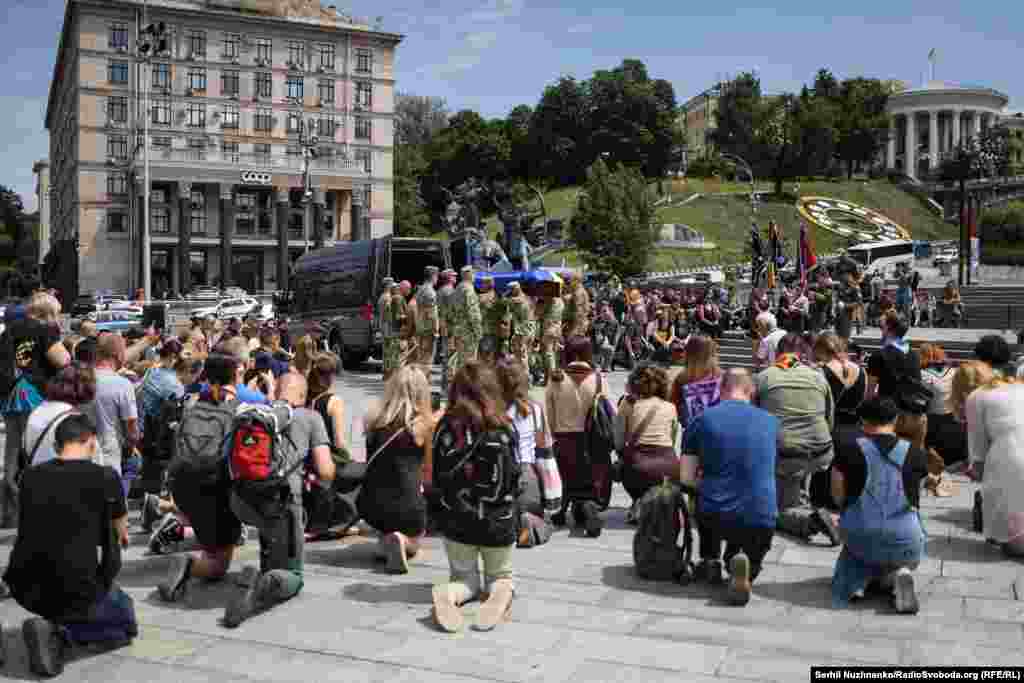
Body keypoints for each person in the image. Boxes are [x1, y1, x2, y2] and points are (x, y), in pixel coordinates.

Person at [4, 414, 136, 677]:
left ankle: (54, 622)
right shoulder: (106, 477)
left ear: (56, 446)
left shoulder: (29, 477)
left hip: (25, 585)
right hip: (80, 587)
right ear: (91, 442)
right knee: (126, 626)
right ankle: (59, 631)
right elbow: (123, 534)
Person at [222, 372, 336, 627]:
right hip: (282, 501)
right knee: (294, 576)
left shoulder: (256, 416)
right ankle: (264, 584)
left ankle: (266, 568)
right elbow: (326, 470)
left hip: (242, 499)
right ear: (303, 396)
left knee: (270, 522)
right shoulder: (310, 417)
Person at [431, 361, 519, 633]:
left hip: (457, 520)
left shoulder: (445, 427)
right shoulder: (504, 426)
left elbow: (437, 477)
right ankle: (500, 590)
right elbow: (515, 478)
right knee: (499, 575)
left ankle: (450, 594)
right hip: (498, 520)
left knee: (464, 580)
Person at [156, 354, 246, 604]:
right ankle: (189, 565)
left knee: (211, 540)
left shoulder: (192, 402)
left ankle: (196, 556)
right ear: (236, 375)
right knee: (219, 566)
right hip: (214, 484)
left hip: (183, 481)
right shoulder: (241, 404)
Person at [684, 369, 778, 605]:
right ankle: (747, 565)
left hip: (716, 513)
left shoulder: (702, 419)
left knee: (705, 495)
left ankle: (711, 559)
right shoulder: (771, 422)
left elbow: (686, 477)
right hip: (761, 517)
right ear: (752, 391)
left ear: (720, 389)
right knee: (750, 509)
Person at [830, 397, 928, 613]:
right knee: (907, 532)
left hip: (861, 537)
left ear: (862, 420)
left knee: (854, 552)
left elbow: (837, 497)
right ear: (896, 420)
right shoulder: (917, 453)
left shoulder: (847, 449)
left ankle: (856, 584)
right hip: (907, 541)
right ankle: (896, 578)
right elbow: (915, 500)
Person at [755, 333, 838, 545]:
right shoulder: (818, 377)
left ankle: (809, 521)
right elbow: (829, 419)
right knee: (799, 463)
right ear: (803, 354)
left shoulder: (763, 377)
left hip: (786, 455)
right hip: (821, 451)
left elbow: (752, 423)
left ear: (778, 353)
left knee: (772, 513)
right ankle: (802, 500)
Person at [0, 291, 72, 526]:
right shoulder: (45, 329)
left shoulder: (10, 329)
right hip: (34, 394)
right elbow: (62, 361)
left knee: (12, 453)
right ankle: (40, 511)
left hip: (11, 395)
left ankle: (10, 513)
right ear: (49, 313)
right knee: (37, 451)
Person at [358, 365, 435, 571]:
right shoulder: (423, 424)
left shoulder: (373, 419)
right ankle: (404, 542)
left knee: (386, 527)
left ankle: (386, 542)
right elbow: (429, 472)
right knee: (416, 537)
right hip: (407, 506)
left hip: (370, 504)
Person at [544, 336, 606, 537]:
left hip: (564, 441)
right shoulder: (598, 379)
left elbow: (550, 419)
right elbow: (604, 413)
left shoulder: (556, 379)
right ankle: (588, 505)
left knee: (566, 479)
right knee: (587, 482)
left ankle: (562, 508)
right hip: (590, 443)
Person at [495, 357, 560, 547]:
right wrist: (551, 495)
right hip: (527, 477)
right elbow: (545, 453)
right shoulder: (534, 409)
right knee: (546, 522)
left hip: (498, 479)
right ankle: (530, 523)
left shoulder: (490, 410)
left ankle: (513, 523)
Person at [964, 374, 1024, 556]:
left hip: (1010, 456)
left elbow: (978, 447)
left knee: (1010, 543)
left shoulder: (976, 397)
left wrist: (976, 469)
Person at [614, 364, 679, 513]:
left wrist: (623, 453)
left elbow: (618, 440)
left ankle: (638, 501)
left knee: (625, 464)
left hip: (638, 468)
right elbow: (672, 440)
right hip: (668, 467)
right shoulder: (670, 407)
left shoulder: (627, 403)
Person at [84, 334, 139, 483]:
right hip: (108, 453)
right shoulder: (122, 384)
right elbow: (132, 427)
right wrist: (132, 445)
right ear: (118, 354)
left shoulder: (81, 378)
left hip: (80, 451)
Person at [24, 362, 98, 467]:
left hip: (36, 477)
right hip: (63, 479)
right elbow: (93, 458)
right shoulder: (75, 419)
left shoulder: (37, 411)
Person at [814, 332, 865, 445]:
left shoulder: (821, 372)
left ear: (820, 350)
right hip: (856, 430)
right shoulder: (861, 371)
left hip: (830, 431)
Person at [671, 335, 722, 435]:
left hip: (692, 434)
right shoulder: (721, 376)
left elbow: (673, 408)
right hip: (718, 433)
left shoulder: (682, 379)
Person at [867, 311, 920, 402]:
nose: (881, 331)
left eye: (881, 327)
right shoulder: (914, 355)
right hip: (910, 411)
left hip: (889, 412)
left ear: (887, 328)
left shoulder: (878, 356)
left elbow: (869, 395)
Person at [449, 266, 483, 373]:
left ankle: (460, 385)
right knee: (470, 361)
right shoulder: (469, 289)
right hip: (468, 331)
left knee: (461, 361)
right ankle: (467, 387)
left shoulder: (457, 289)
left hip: (458, 329)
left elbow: (451, 311)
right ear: (468, 274)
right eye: (473, 274)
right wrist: (478, 331)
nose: (474, 276)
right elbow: (473, 313)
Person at [414, 265, 440, 368]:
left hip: (421, 327)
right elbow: (431, 314)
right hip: (428, 330)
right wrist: (435, 330)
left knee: (421, 357)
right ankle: (424, 381)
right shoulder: (430, 292)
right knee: (427, 359)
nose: (437, 279)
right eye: (437, 276)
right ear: (433, 276)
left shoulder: (420, 289)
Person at [507, 281, 536, 373]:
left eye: (511, 290)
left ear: (515, 289)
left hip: (522, 331)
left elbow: (511, 314)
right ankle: (531, 375)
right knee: (528, 354)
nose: (510, 292)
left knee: (521, 355)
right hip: (531, 329)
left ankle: (525, 378)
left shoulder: (516, 301)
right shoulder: (529, 298)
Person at [537, 288, 565, 384]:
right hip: (557, 329)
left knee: (548, 354)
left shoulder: (549, 301)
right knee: (554, 353)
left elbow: (538, 313)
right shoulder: (561, 301)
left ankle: (551, 378)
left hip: (549, 328)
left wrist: (539, 304)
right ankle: (550, 377)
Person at [437, 269, 456, 394]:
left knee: (446, 358)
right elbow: (453, 311)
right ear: (449, 278)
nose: (455, 278)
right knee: (451, 358)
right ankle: (449, 388)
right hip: (450, 329)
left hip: (445, 328)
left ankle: (445, 386)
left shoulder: (440, 291)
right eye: (453, 276)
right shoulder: (450, 292)